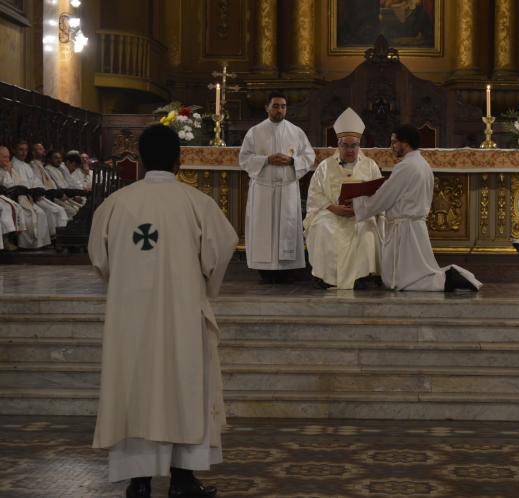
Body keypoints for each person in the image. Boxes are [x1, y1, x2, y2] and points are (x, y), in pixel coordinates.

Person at [88, 125, 238, 498]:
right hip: (183, 317)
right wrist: (205, 288)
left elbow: (99, 259)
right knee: (184, 388)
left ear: (138, 159)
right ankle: (183, 481)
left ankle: (138, 483)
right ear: (180, 159)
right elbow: (222, 249)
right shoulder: (197, 203)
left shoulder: (115, 205)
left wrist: (126, 280)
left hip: (129, 320)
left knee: (134, 390)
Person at [351, 124, 481, 292]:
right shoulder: (423, 164)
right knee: (417, 272)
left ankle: (450, 279)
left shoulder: (405, 167)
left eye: (394, 142)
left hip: (404, 230)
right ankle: (450, 278)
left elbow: (385, 197)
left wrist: (358, 202)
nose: (392, 147)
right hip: (415, 227)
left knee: (405, 280)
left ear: (405, 143)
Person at [239, 91, 315, 284]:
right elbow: (244, 158)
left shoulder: (296, 131)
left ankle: (286, 270)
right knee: (264, 229)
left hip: (287, 188)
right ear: (267, 107)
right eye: (275, 106)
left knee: (286, 228)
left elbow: (309, 157)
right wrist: (266, 159)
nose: (279, 109)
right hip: (263, 189)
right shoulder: (255, 132)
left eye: (283, 106)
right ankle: (265, 271)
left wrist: (291, 161)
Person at [304, 108, 384, 289]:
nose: (350, 150)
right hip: (332, 213)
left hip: (361, 214)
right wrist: (334, 208)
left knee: (367, 230)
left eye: (354, 145)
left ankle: (362, 277)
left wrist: (362, 208)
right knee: (322, 228)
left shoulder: (370, 165)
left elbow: (379, 194)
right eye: (345, 146)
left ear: (359, 145)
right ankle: (325, 277)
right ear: (338, 145)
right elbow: (315, 194)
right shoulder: (325, 166)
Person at [0, 143, 51, 248]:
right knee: (23, 214)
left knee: (40, 213)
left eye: (7, 157)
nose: (7, 159)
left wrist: (30, 192)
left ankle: (39, 243)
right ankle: (22, 244)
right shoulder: (9, 167)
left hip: (21, 197)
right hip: (13, 197)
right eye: (4, 157)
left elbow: (18, 184)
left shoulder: (10, 168)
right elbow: (9, 186)